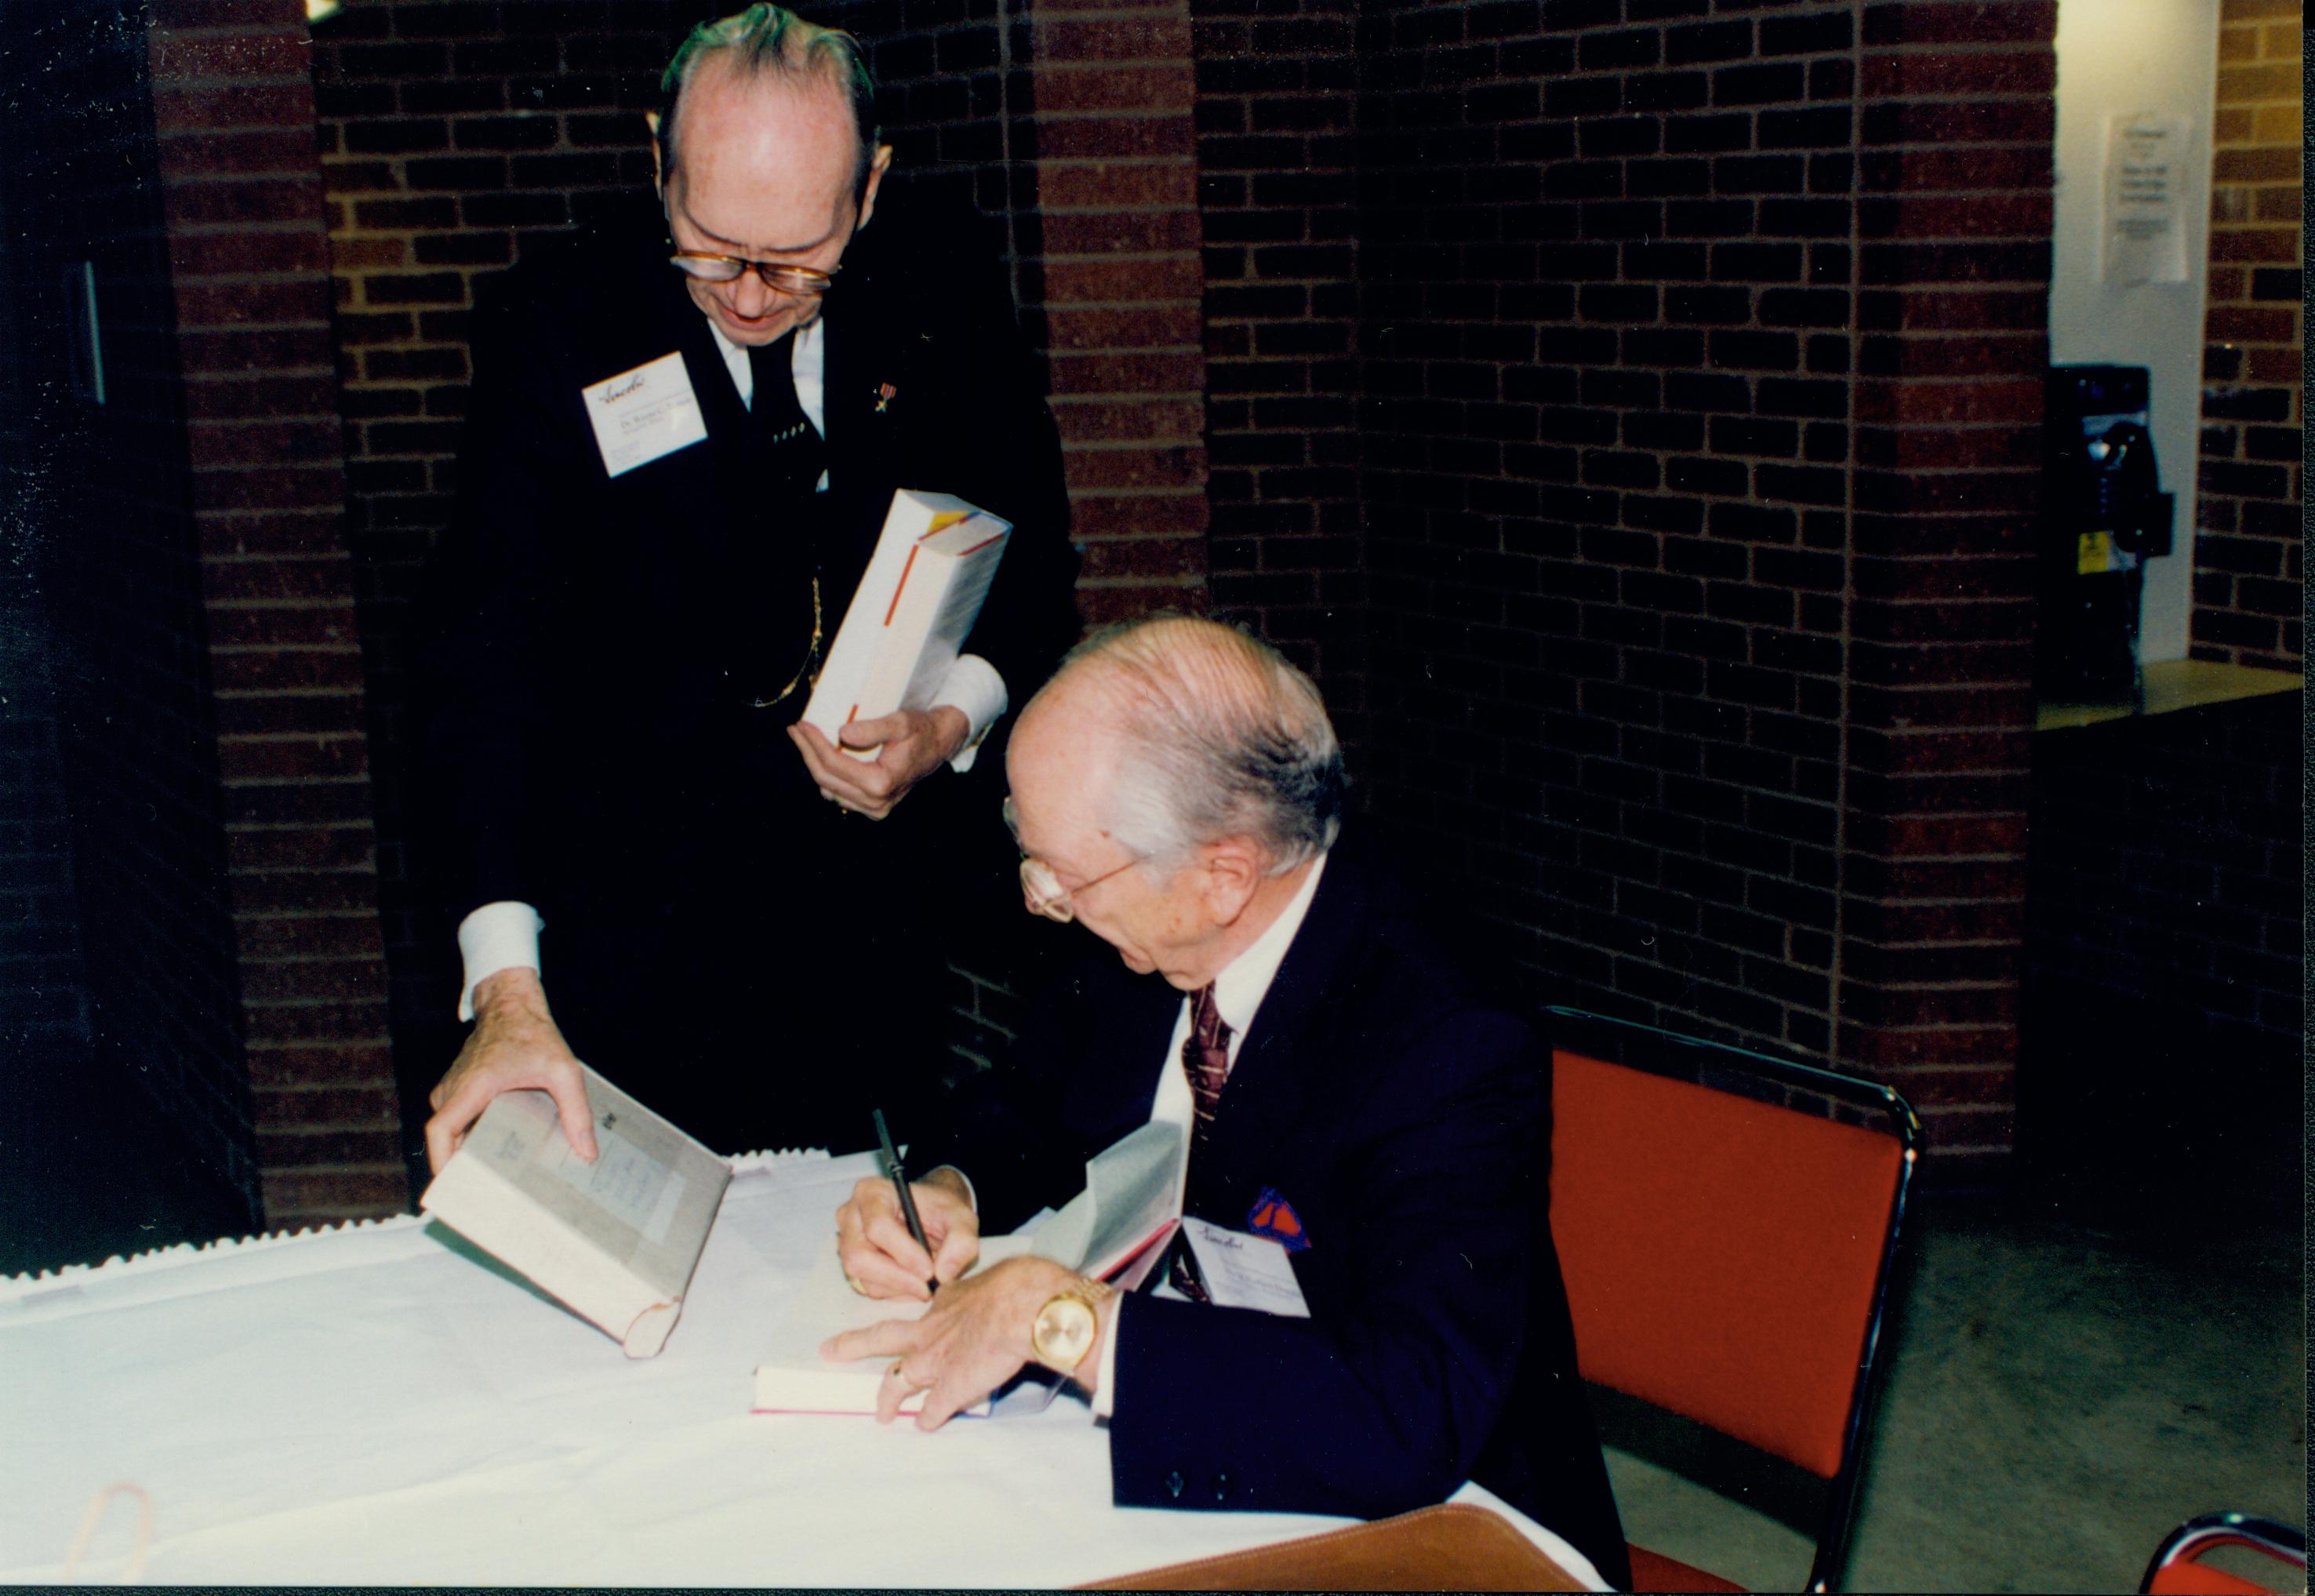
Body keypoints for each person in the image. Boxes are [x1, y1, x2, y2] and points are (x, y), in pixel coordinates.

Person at [827, 617, 1629, 1590]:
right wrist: (950, 1183)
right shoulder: (1143, 921)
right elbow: (1033, 1097)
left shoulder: (1440, 1029)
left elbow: (1412, 1407)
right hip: (1212, 1441)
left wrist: (1064, 1319)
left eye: (1060, 876)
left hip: (1443, 1525)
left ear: (1224, 875)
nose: (1041, 899)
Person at [409, 5, 1079, 1170]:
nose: (754, 296)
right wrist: (506, 980)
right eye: (711, 247)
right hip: (627, 931)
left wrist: (947, 720)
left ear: (868, 190)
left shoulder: (941, 286)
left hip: (866, 938)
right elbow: (486, 659)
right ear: (658, 153)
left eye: (798, 258)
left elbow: (1031, 553)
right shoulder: (557, 323)